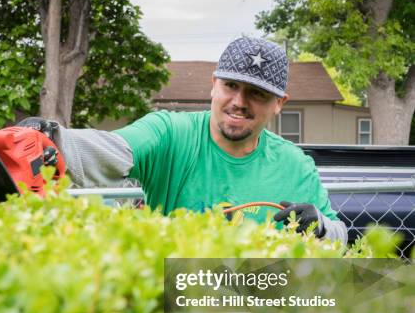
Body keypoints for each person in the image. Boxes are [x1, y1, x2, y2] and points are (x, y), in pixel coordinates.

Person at [20, 37, 348, 244]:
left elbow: (341, 235)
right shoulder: (171, 133)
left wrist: (319, 226)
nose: (239, 101)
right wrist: (53, 140)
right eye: (231, 86)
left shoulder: (296, 165)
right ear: (214, 84)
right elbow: (113, 149)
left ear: (280, 103)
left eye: (257, 94)